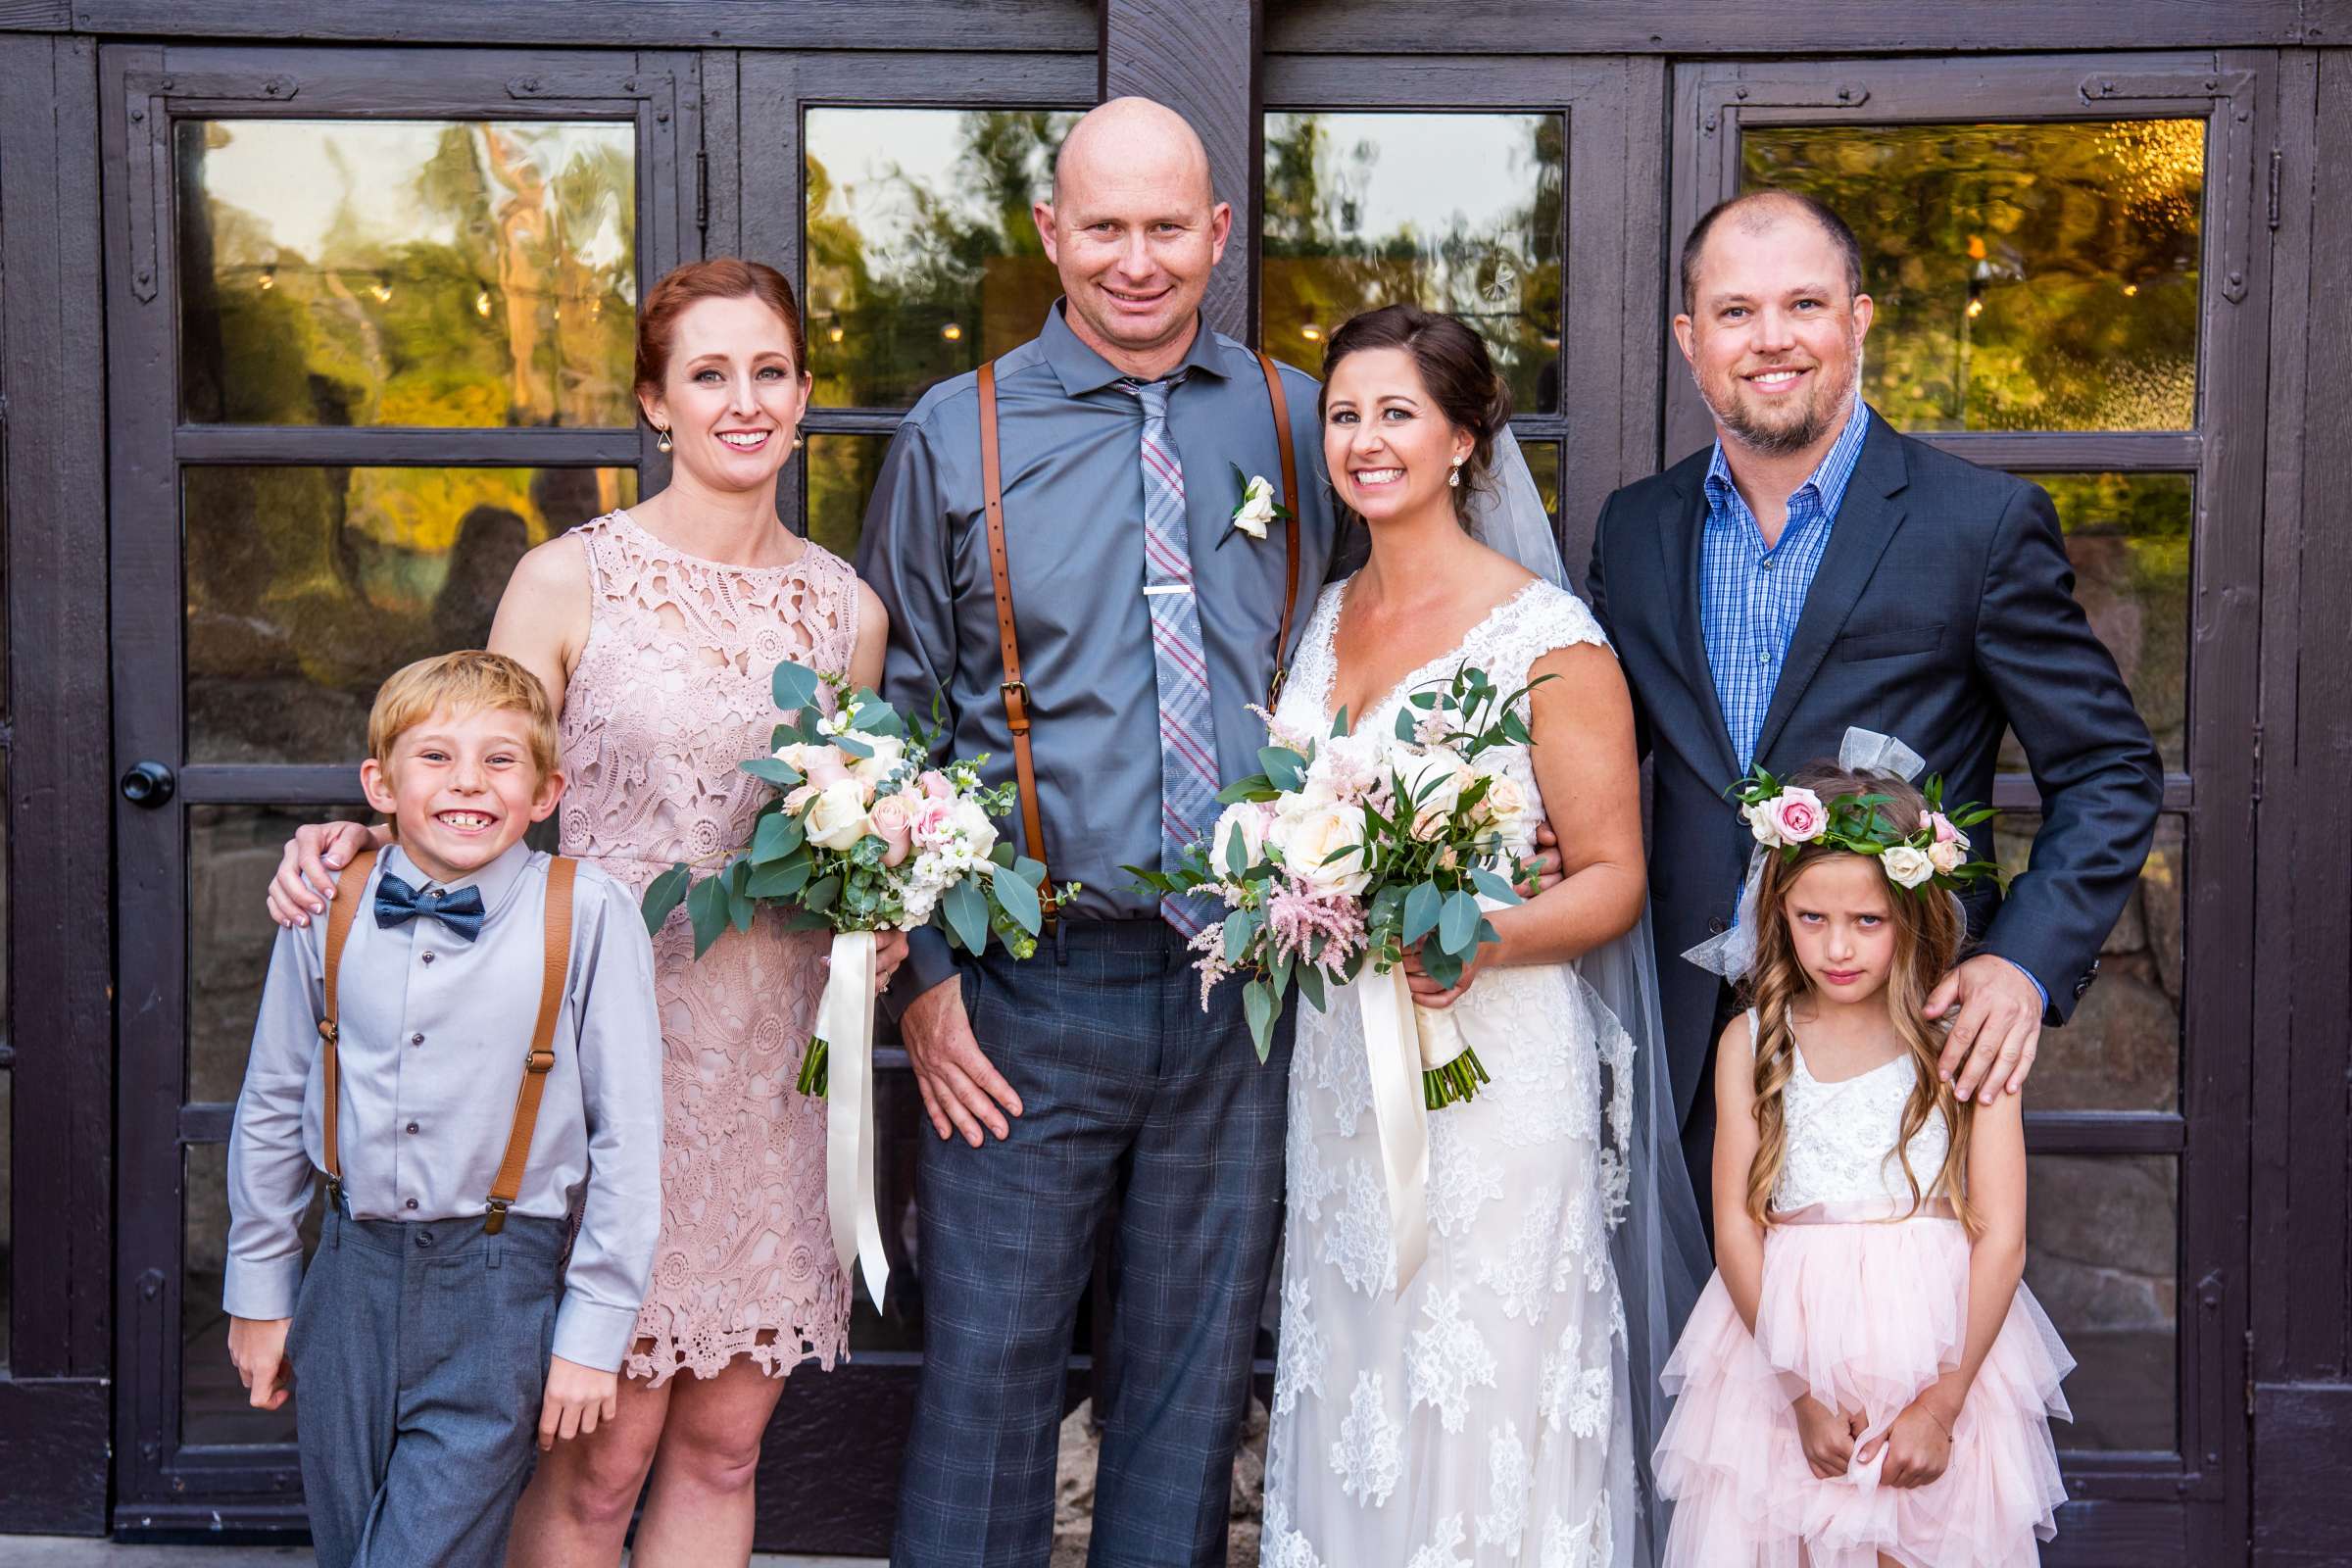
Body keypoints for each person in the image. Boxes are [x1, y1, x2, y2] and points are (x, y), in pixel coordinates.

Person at [262, 260, 902, 1568]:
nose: (743, 400)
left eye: (769, 372)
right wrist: (350, 842)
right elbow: (473, 775)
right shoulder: (570, 583)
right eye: (708, 375)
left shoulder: (848, 611)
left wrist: (880, 908)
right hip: (596, 1064)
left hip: (774, 1062)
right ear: (655, 404)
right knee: (599, 1453)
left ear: (806, 396)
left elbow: (846, 821)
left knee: (728, 1440)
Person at [858, 95, 1379, 1565]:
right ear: (1050, 233)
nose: (1136, 261)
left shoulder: (1296, 416)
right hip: (1026, 988)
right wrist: (927, 987)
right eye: (1105, 228)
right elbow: (894, 724)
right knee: (988, 1383)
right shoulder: (951, 433)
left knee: (1193, 1389)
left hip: (1245, 988)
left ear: (1219, 233)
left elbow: (1375, 651)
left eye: (1167, 227)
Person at [1584, 189, 2162, 1222]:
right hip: (1679, 1053)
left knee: (1872, 1376)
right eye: (1734, 311)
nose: (1771, 340)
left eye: (1804, 304)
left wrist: (2022, 965)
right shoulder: (1634, 531)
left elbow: (2110, 769)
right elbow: (1598, 755)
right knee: (1694, 1377)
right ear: (1688, 338)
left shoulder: (1978, 525)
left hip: (1897, 1052)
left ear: (1857, 320)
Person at [1256, 304, 1703, 1566]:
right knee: (1357, 1373)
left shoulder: (1548, 640)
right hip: (1344, 1071)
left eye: (1398, 412)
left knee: (1484, 1375)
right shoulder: (1327, 613)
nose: (1366, 438)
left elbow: (1614, 879)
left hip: (1494, 1069)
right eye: (1346, 414)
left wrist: (1482, 937)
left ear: (1463, 439)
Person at [223, 651, 663, 1568]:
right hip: (345, 1280)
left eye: (502, 761)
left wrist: (593, 1332)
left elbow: (631, 1140)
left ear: (546, 791)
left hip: (498, 1288)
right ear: (379, 784)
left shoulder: (586, 914)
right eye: (436, 757)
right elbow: (271, 1102)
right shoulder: (325, 904)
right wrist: (261, 1295)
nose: (470, 782)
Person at [1654, 745, 2074, 1566]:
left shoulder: (1964, 1041)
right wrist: (1797, 1391)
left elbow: (2002, 1234)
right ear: (1778, 912)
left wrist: (1945, 1402)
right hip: (1785, 1348)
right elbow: (1738, 1226)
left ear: (1911, 917)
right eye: (1812, 919)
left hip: (1938, 1346)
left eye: (1867, 921)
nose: (1836, 948)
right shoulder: (1753, 1040)